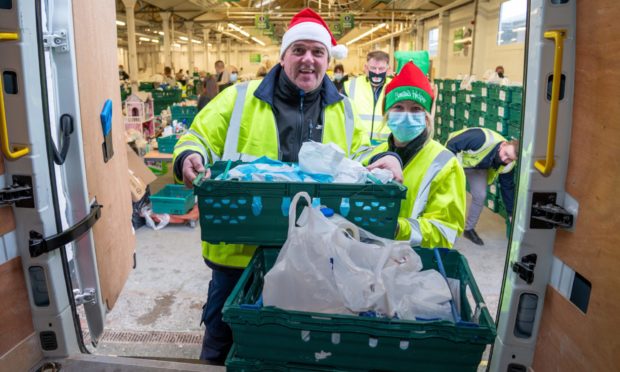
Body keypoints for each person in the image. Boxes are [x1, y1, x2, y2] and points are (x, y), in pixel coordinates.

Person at [173, 8, 361, 364]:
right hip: (239, 251)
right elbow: (197, 135)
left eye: (317, 52)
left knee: (296, 341)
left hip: (315, 251)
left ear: (327, 59)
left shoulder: (344, 110)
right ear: (283, 55)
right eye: (299, 50)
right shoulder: (239, 98)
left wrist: (389, 160)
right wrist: (189, 156)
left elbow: (365, 153)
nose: (308, 60)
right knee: (223, 337)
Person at [365, 61, 466, 248]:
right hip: (372, 256)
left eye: (416, 109)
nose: (406, 115)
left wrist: (396, 228)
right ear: (386, 112)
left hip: (415, 264)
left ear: (427, 115)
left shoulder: (445, 164)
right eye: (398, 107)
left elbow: (445, 232)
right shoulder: (374, 155)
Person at [445, 128, 519, 245]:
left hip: (477, 167)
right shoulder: (481, 138)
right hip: (456, 158)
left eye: (510, 158)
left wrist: (511, 213)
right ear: (503, 145)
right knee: (450, 193)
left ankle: (469, 229)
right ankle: (444, 226)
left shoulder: (509, 165)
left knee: (480, 195)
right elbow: (451, 145)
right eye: (505, 154)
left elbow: (507, 188)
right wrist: (450, 172)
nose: (505, 159)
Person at [344, 50, 392, 145]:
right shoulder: (350, 86)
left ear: (388, 69)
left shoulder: (395, 87)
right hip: (357, 146)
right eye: (373, 68)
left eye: (381, 69)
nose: (377, 72)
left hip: (385, 147)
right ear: (366, 68)